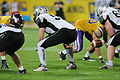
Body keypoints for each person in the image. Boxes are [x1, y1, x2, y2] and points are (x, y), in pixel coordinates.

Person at [33, 6, 77, 71]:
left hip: (64, 31)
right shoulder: (51, 17)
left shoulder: (41, 17)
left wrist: (40, 43)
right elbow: (53, 33)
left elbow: (41, 33)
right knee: (67, 44)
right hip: (73, 31)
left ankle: (43, 66)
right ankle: (72, 63)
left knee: (40, 45)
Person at [96, 4, 120, 69]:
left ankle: (109, 64)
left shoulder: (104, 14)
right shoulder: (115, 10)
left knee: (111, 44)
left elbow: (109, 29)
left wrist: (111, 38)